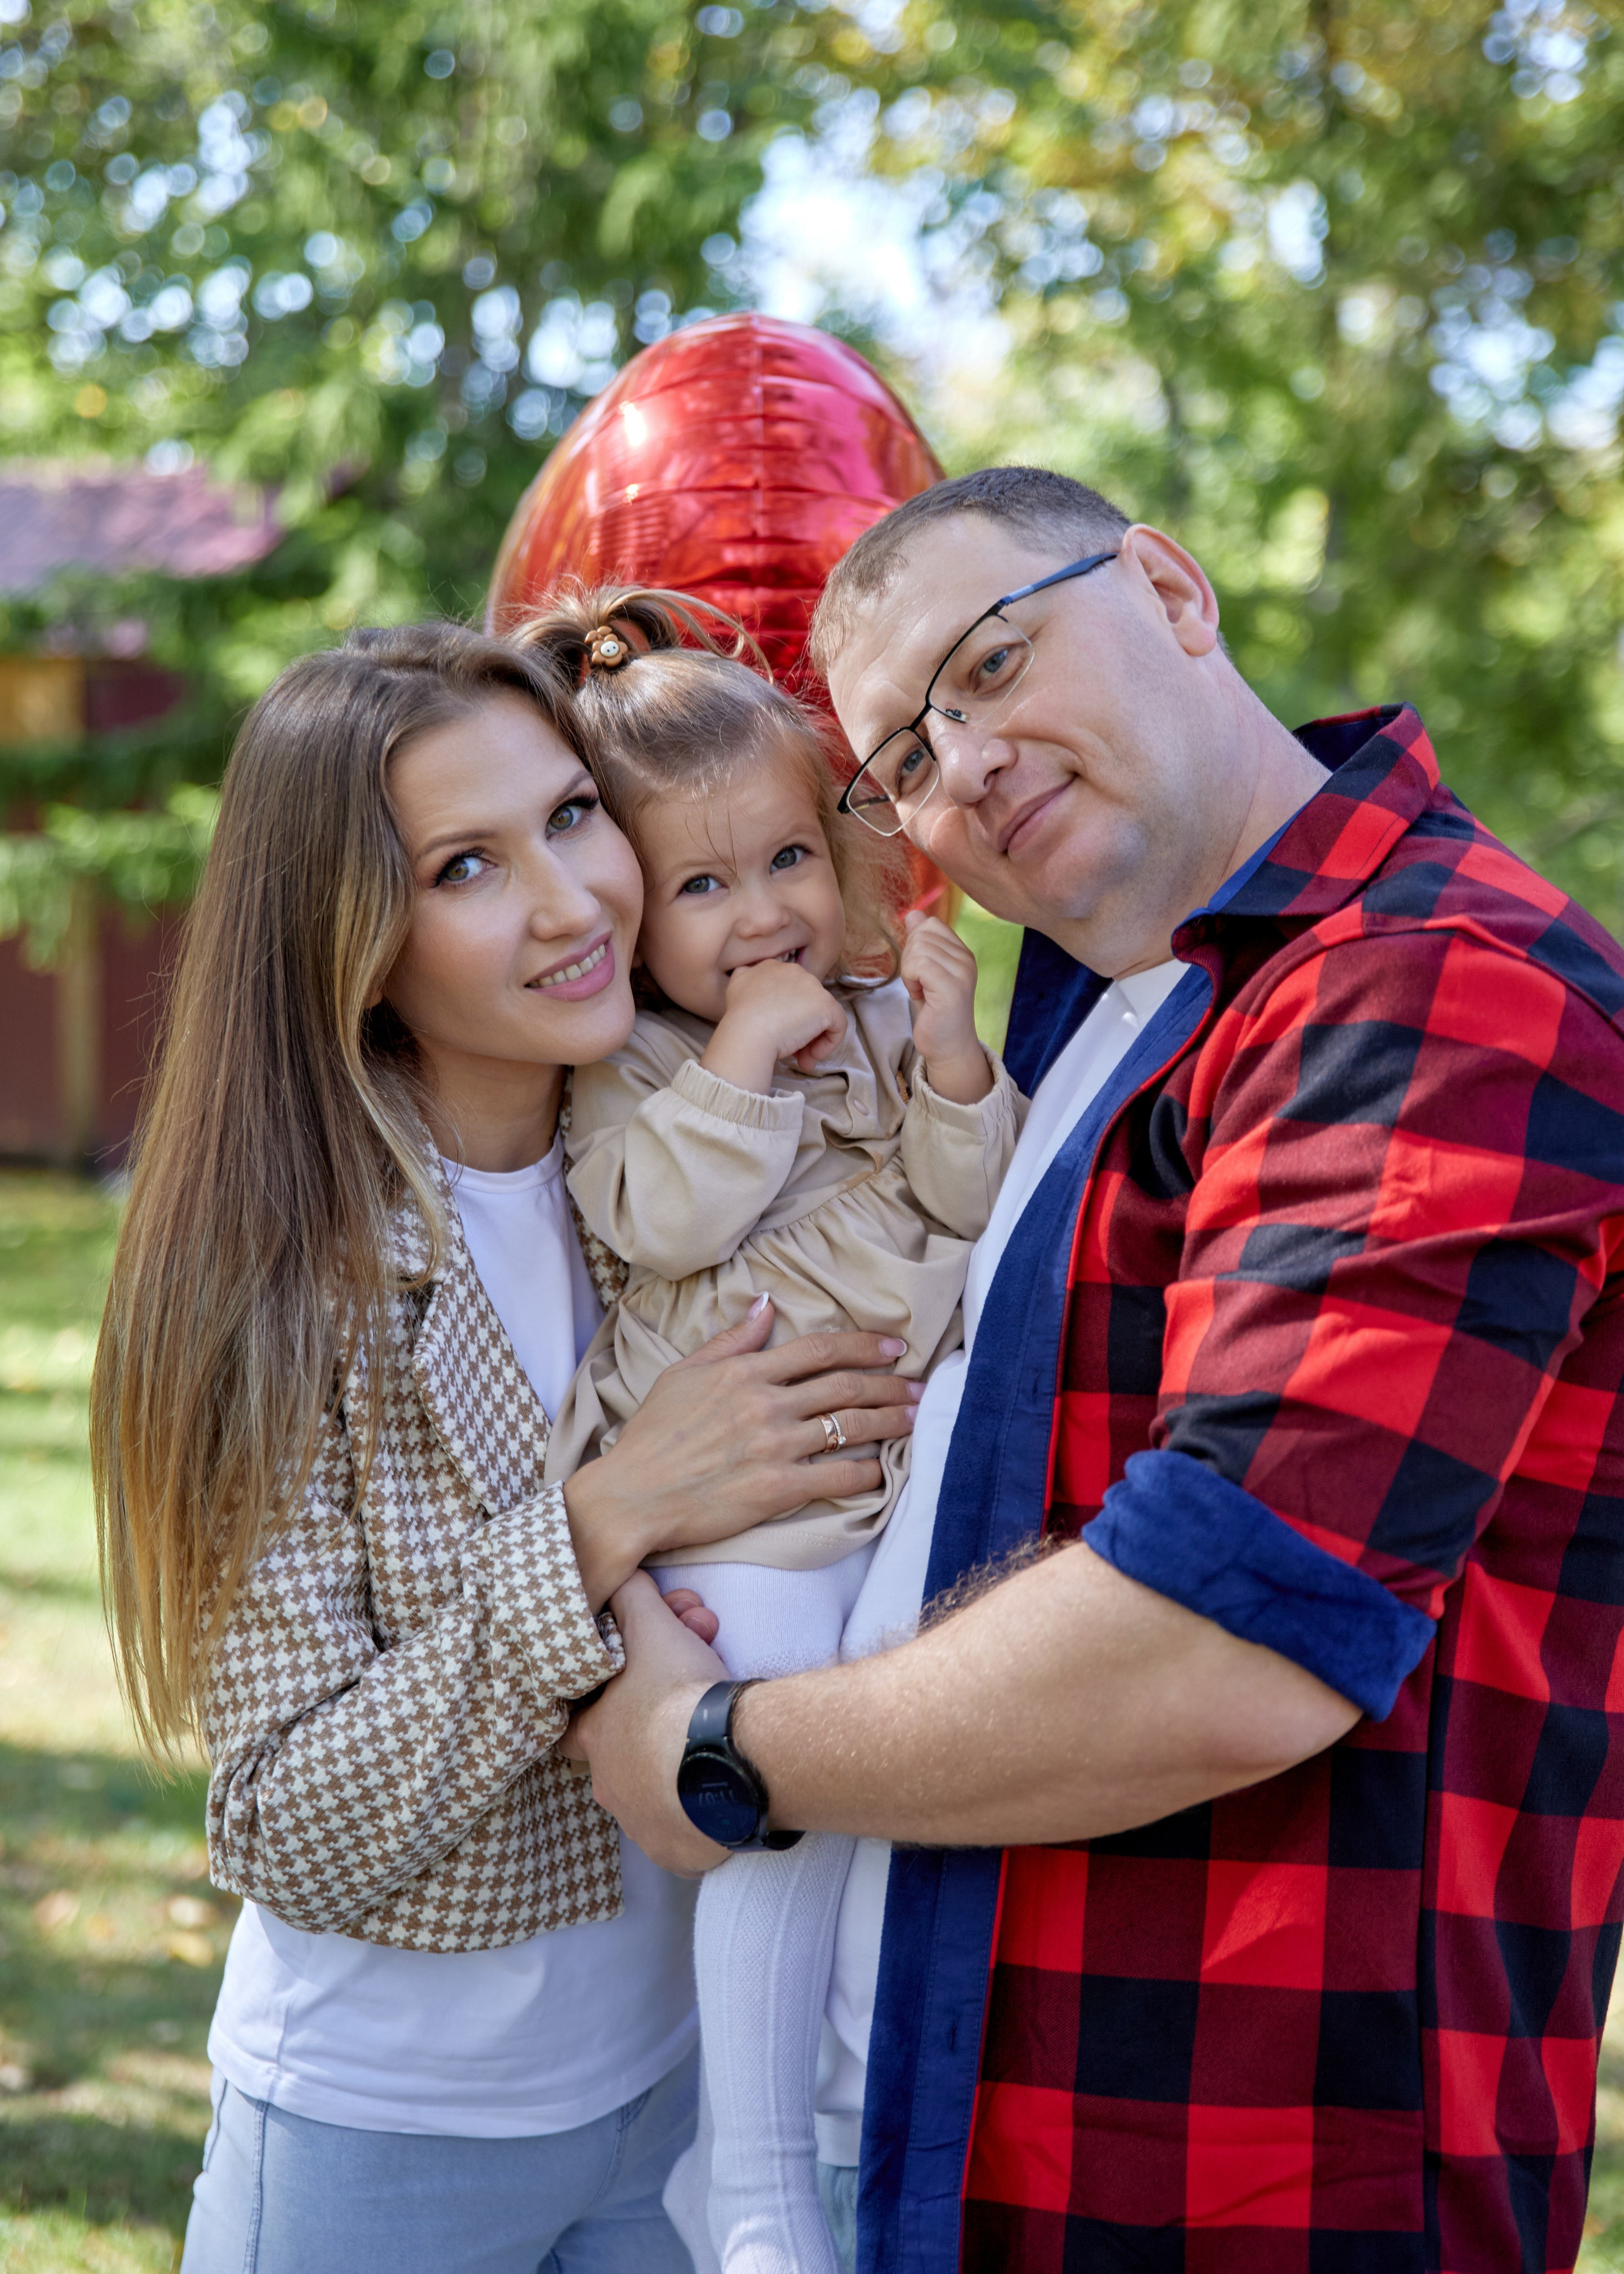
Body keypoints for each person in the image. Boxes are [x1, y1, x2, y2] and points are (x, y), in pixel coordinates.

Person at [564, 466, 1624, 2274]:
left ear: (1173, 590)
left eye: (994, 662)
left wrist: (713, 1751)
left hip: (1243, 2184)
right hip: (943, 2151)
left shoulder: (1427, 991)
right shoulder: (1101, 999)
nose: (967, 762)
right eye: (906, 756)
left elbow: (1218, 1648)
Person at [89, 621, 919, 2274]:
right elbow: (282, 1818)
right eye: (465, 866)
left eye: (571, 817)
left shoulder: (696, 1156)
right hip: (390, 2132)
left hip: (677, 2091)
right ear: (353, 941)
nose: (571, 901)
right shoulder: (291, 1277)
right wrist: (607, 1518)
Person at [514, 586, 1022, 2273]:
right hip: (746, 1517)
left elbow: (966, 1205)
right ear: (629, 915)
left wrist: (950, 1064)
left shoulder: (868, 1022)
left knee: (899, 1799)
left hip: (878, 1485)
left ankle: (828, 2139)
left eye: (788, 861)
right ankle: (748, 2185)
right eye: (701, 887)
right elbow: (659, 1220)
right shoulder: (634, 1069)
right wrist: (740, 1063)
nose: (760, 915)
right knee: (781, 1782)